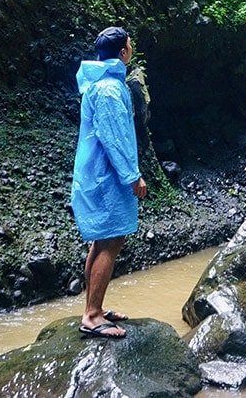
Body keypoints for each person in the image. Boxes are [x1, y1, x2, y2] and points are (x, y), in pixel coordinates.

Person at [71, 26, 148, 338]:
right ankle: (92, 315)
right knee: (112, 240)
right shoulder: (110, 90)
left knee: (102, 239)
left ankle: (95, 307)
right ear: (124, 53)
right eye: (130, 46)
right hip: (107, 177)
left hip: (97, 174)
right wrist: (133, 176)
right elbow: (114, 138)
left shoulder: (100, 84)